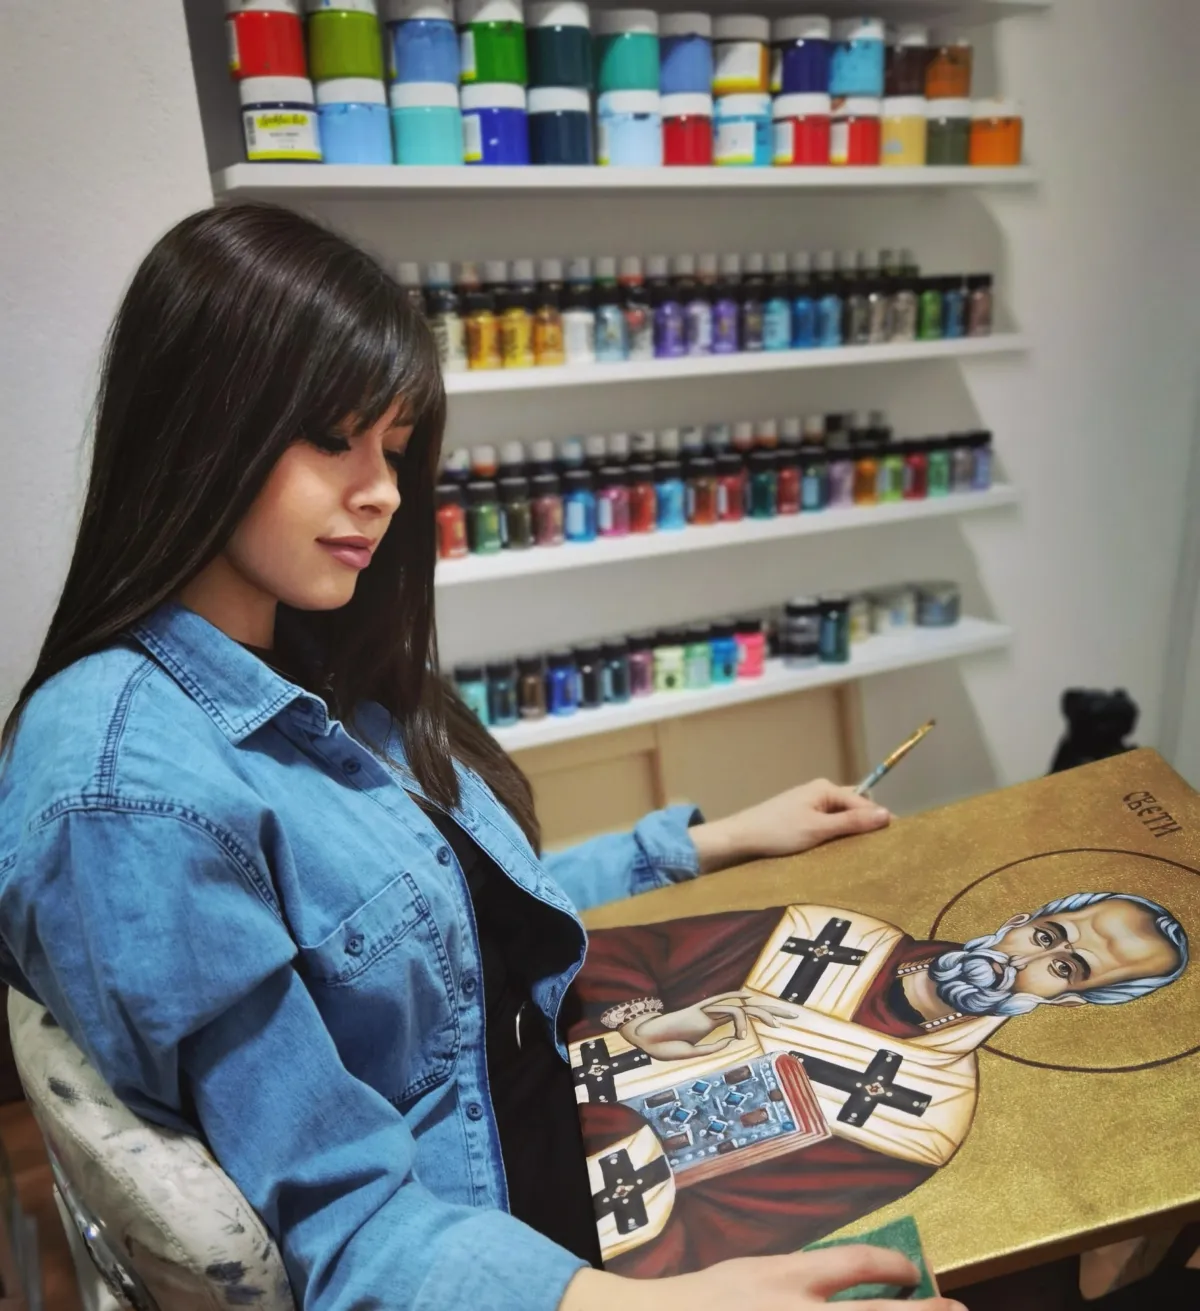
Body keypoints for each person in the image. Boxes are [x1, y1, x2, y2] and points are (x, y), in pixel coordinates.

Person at [0, 204, 963, 1311]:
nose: (382, 490)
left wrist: (708, 843)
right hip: (513, 1255)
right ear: (198, 426)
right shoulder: (128, 797)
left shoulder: (306, 652)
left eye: (395, 448)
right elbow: (341, 1228)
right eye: (332, 439)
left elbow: (449, 933)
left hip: (565, 1140)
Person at [568, 891, 1188, 1275]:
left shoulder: (925, 1117)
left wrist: (620, 1141)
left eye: (1064, 967)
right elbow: (614, 952)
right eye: (1047, 936)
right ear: (1020, 919)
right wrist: (640, 1021)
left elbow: (719, 1238)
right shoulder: (824, 935)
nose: (1019, 961)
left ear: (1071, 1001)